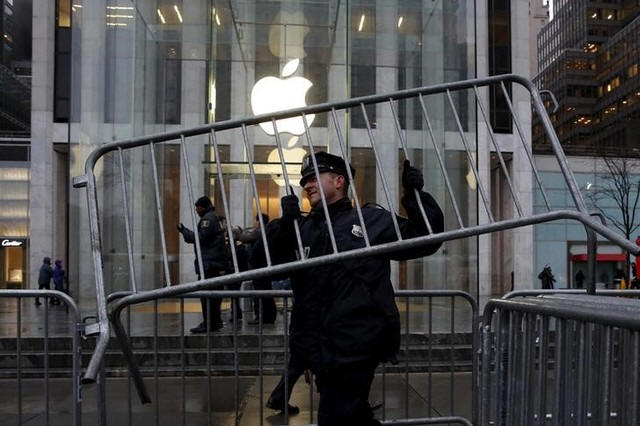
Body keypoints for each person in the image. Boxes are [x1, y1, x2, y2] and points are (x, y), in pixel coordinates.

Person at [257, 152, 444, 425]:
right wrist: (285, 227)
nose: (306, 185)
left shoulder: (369, 220)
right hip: (319, 347)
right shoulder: (303, 228)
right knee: (353, 415)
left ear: (339, 181)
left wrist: (415, 196)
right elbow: (262, 263)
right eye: (304, 181)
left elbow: (425, 238)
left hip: (355, 345)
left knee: (336, 416)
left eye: (314, 178)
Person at [178, 196, 227, 333]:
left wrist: (184, 230)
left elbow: (200, 238)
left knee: (207, 296)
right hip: (214, 264)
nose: (196, 210)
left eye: (197, 207)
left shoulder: (208, 219)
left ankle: (209, 323)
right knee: (214, 296)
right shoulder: (213, 217)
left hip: (210, 265)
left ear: (203, 206)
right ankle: (214, 321)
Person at [237, 214, 277, 325]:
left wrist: (236, 234)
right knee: (266, 292)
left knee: (259, 293)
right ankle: (269, 316)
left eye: (255, 220)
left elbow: (246, 238)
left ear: (259, 221)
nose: (254, 223)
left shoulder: (260, 231)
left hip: (259, 267)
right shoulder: (267, 231)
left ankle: (261, 316)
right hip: (264, 266)